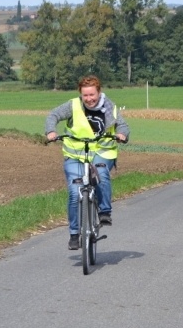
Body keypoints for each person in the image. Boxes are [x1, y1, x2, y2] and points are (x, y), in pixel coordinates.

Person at [46, 75, 130, 250]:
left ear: (99, 92)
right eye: (85, 95)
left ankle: (104, 211)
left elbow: (123, 125)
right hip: (75, 154)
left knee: (100, 173)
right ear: (80, 94)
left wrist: (122, 135)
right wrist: (51, 131)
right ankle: (74, 234)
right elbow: (53, 115)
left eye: (92, 94)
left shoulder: (110, 107)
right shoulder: (73, 106)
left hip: (102, 152)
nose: (89, 99)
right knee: (75, 193)